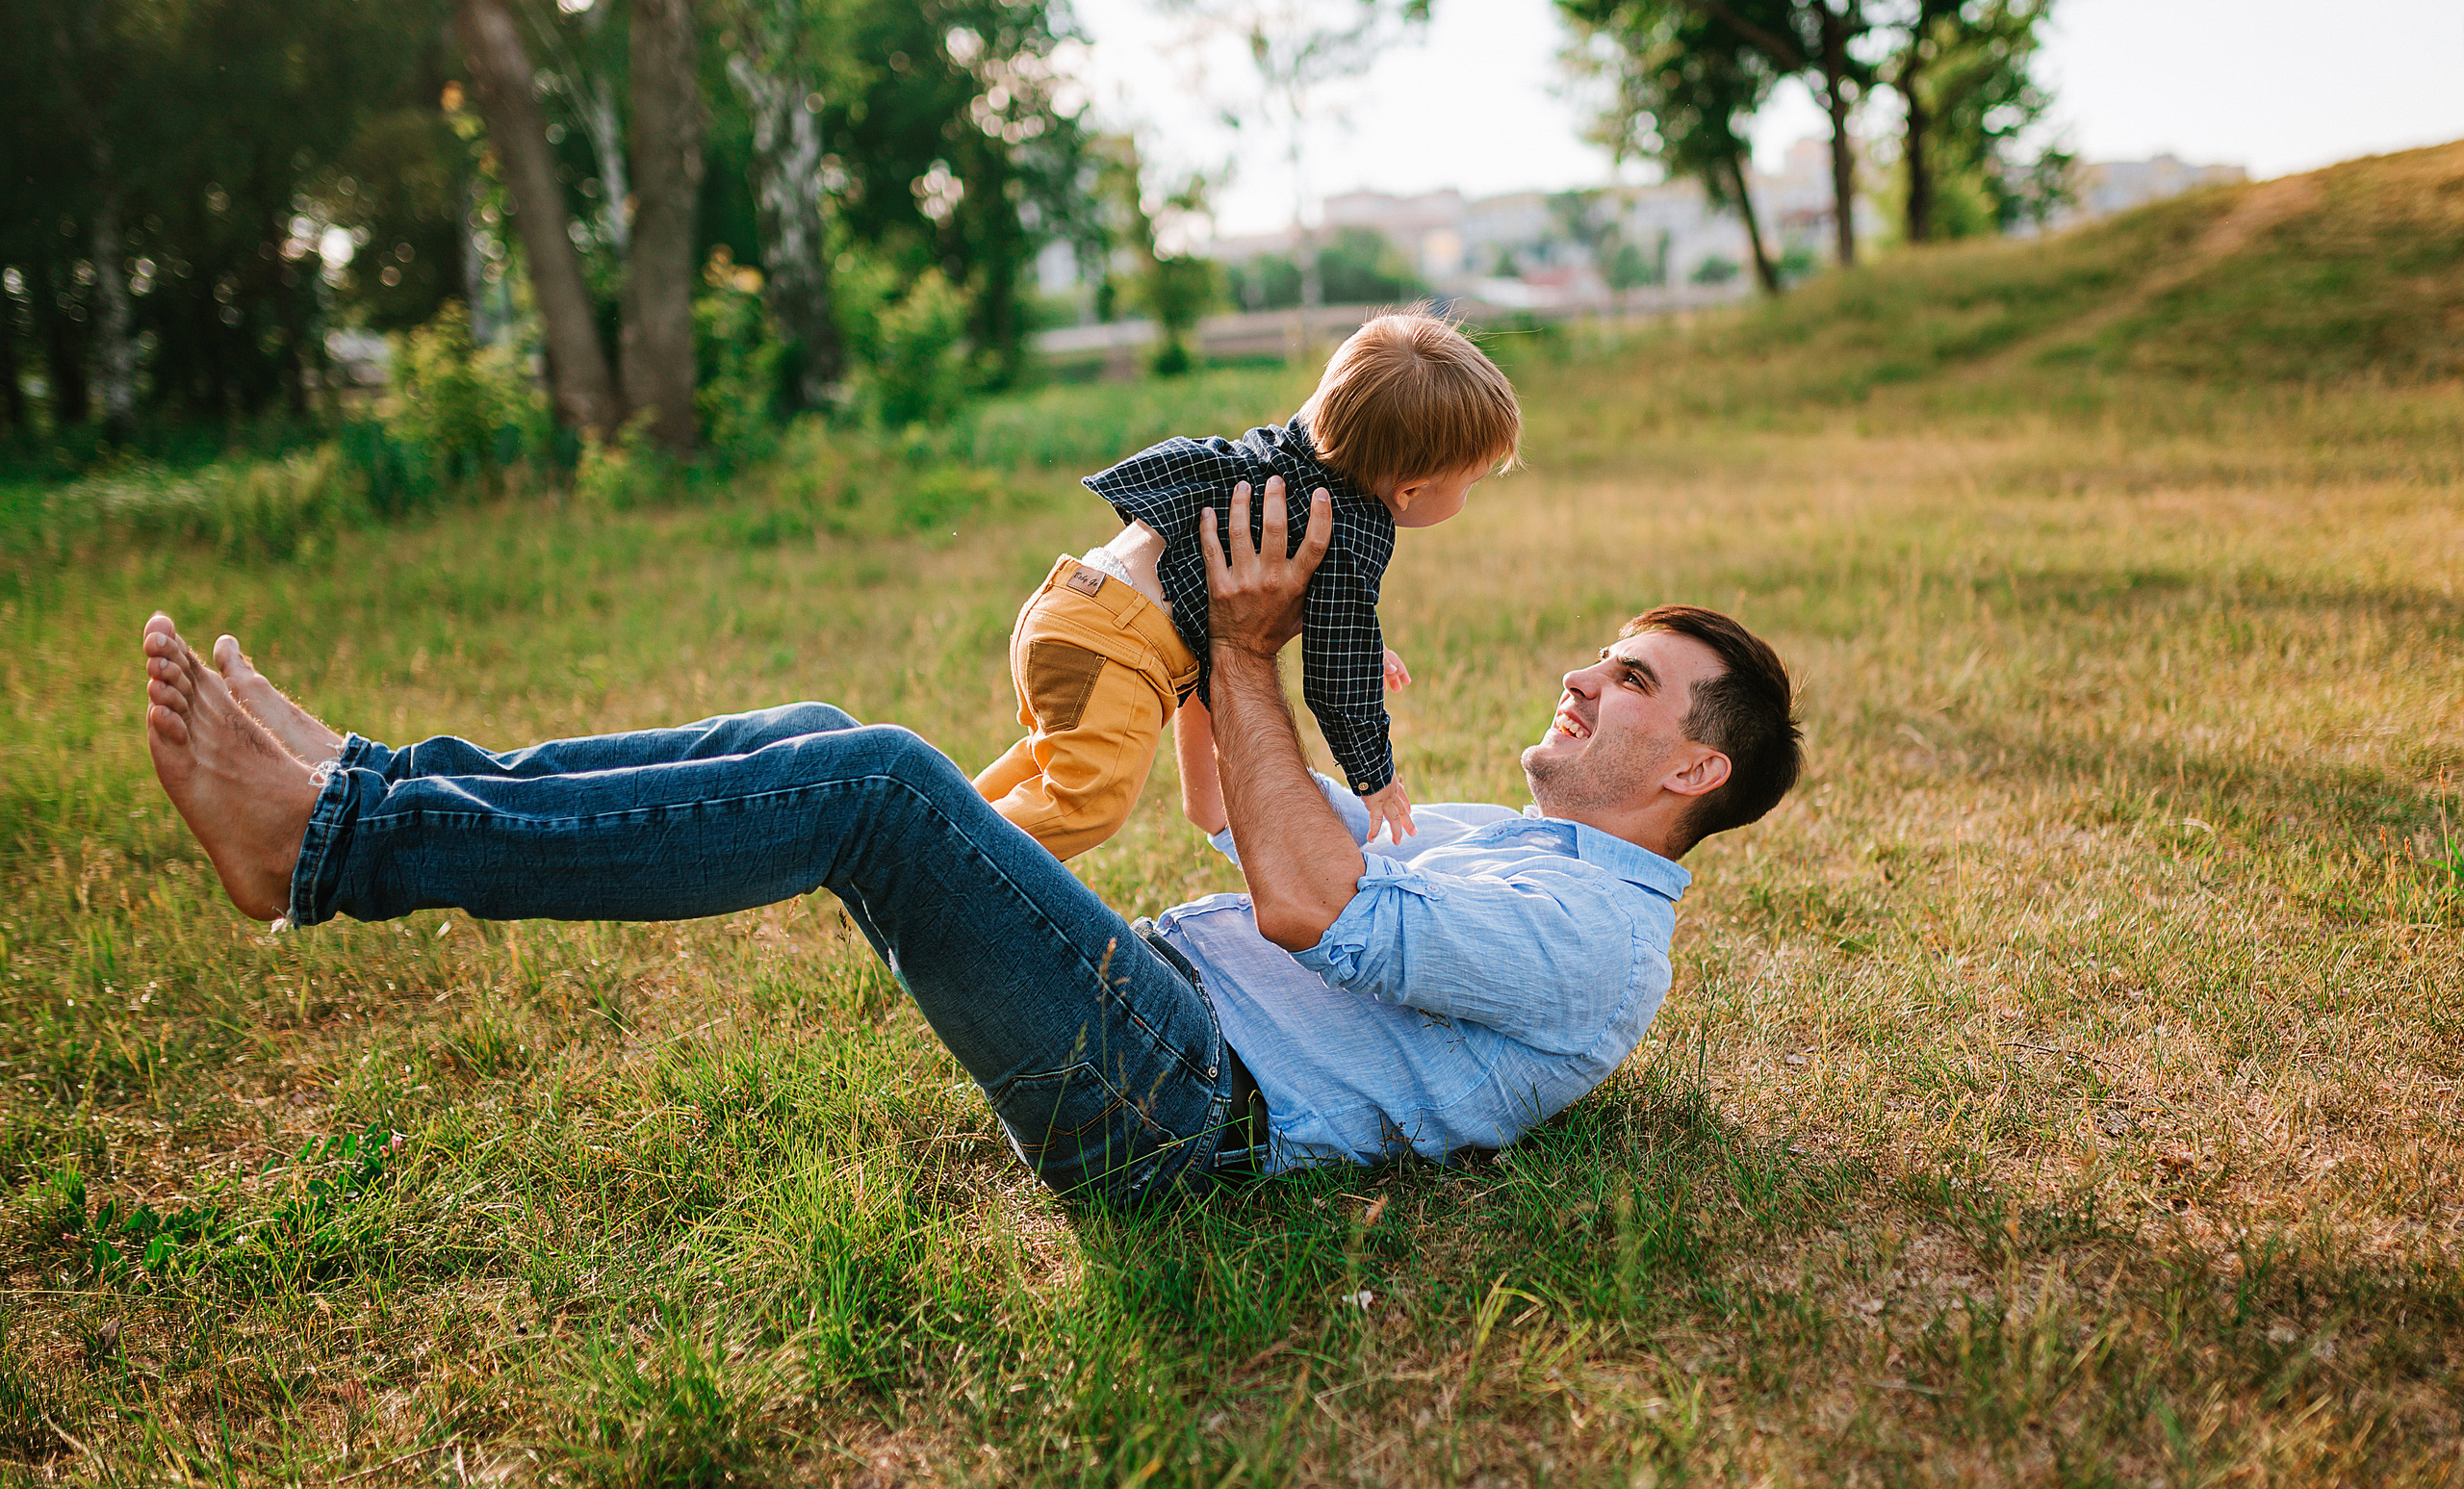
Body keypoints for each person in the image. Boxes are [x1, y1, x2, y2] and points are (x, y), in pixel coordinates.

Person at [141, 478, 1801, 1207]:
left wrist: (1244, 648)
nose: (1586, 675)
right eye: (1606, 654)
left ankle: (329, 847)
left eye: (1633, 679)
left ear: (1695, 769)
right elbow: (1238, 822)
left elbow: (1306, 905)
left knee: (876, 781)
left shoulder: (1599, 940)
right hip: (1144, 1004)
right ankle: (368, 779)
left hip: (1174, 1107)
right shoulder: (1520, 845)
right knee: (817, 732)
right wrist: (1222, 654)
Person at [977, 308, 1521, 859]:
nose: (1469, 494)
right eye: (1471, 483)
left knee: (1044, 768)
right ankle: (941, 856)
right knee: (1086, 806)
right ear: (1410, 491)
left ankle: (939, 814)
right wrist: (1374, 777)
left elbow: (1334, 625)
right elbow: (1338, 681)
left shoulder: (1286, 459)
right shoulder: (1355, 525)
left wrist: (1366, 647)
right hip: (1121, 648)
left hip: (1072, 602)